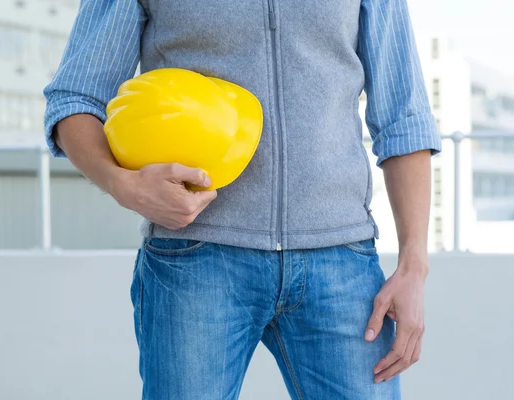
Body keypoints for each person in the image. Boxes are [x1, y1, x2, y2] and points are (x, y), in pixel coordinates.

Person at [43, 0, 441, 398]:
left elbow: (403, 116)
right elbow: (75, 99)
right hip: (196, 256)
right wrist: (121, 184)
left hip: (341, 261)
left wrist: (414, 265)